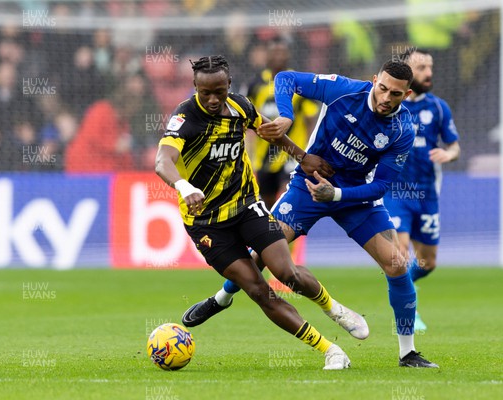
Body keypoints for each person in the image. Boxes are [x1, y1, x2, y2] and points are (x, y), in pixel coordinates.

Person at [185, 60, 439, 368]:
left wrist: (337, 194)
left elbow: (382, 185)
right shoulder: (344, 90)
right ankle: (221, 299)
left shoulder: (402, 130)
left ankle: (407, 353)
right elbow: (286, 77)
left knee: (397, 264)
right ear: (374, 80)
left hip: (355, 198)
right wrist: (287, 117)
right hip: (307, 188)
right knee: (263, 255)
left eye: (395, 94)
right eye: (382, 88)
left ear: (407, 94)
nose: (386, 98)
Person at [155, 55, 370, 370]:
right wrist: (184, 187)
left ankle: (334, 308)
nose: (213, 100)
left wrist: (302, 156)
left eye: (219, 92)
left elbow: (268, 131)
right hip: (207, 225)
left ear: (229, 85)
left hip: (246, 207)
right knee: (259, 290)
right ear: (195, 88)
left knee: (288, 273)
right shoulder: (185, 118)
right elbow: (163, 161)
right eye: (205, 93)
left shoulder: (241, 106)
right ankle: (330, 350)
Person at [384, 49, 460, 331]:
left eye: (431, 66)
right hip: (395, 192)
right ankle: (407, 311)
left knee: (427, 262)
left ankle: (402, 287)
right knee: (399, 254)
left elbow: (454, 145)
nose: (429, 72)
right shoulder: (389, 105)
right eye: (422, 67)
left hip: (427, 193)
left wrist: (449, 155)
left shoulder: (438, 108)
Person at [245, 36, 318, 208]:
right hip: (264, 159)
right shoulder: (255, 85)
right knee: (268, 206)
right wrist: (250, 154)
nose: (278, 55)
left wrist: (309, 149)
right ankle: (273, 233)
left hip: (291, 155)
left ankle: (289, 232)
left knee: (289, 199)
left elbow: (311, 118)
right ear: (267, 55)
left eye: (282, 51)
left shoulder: (299, 81)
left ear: (288, 55)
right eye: (274, 51)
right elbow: (247, 122)